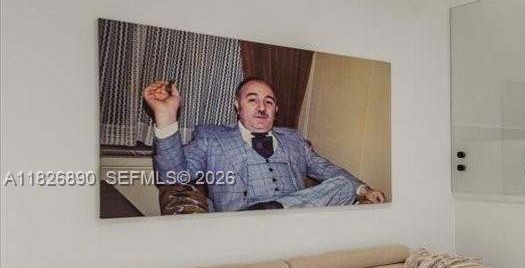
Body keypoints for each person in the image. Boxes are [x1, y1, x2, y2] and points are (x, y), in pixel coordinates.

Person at [143, 77, 386, 211]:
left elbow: (327, 169)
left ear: (276, 109)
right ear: (237, 104)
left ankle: (277, 208)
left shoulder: (294, 139)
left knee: (344, 186)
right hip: (241, 229)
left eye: (269, 102)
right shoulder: (211, 137)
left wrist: (365, 190)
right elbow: (174, 177)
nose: (262, 107)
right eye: (252, 100)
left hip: (296, 223)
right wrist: (166, 117)